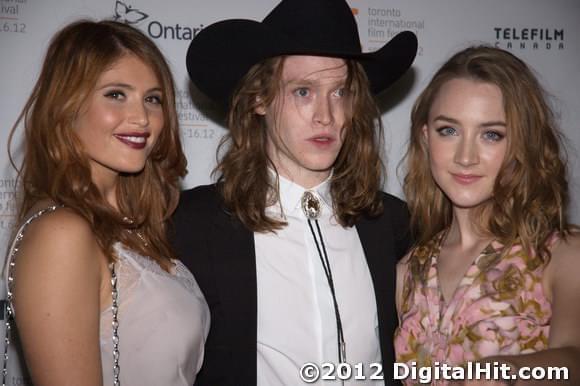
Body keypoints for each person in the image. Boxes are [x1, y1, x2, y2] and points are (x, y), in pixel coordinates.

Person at [172, 0, 417, 384]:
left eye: (340, 92)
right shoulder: (192, 225)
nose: (326, 115)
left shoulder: (392, 223)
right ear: (259, 99)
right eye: (304, 91)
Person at [4, 20, 209, 386]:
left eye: (153, 98)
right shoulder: (60, 234)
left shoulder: (138, 229)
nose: (142, 118)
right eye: (116, 94)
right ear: (68, 107)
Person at [395, 45, 580, 385]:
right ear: (425, 138)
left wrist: (506, 371)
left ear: (522, 146)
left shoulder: (562, 254)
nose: (466, 157)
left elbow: (574, 356)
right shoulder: (408, 271)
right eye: (448, 131)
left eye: (491, 135)